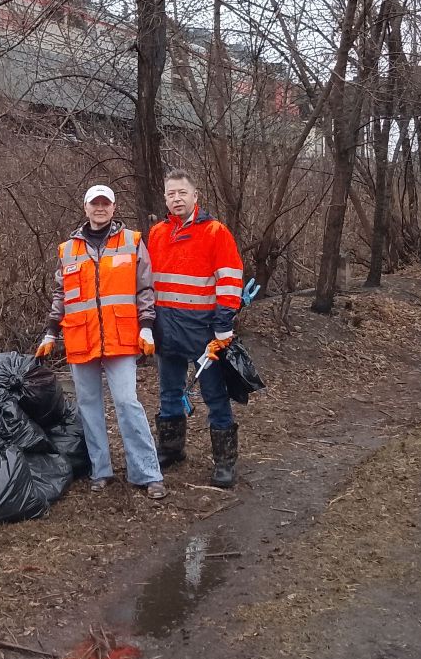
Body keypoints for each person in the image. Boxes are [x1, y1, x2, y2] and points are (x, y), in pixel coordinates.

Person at [37, 185, 167, 499]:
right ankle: (100, 470)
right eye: (94, 203)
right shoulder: (68, 249)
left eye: (105, 203)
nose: (100, 208)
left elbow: (145, 289)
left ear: (113, 207)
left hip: (121, 338)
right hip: (81, 338)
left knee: (127, 403)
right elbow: (61, 294)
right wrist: (51, 331)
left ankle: (147, 473)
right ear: (85, 208)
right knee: (88, 406)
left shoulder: (132, 241)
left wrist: (146, 327)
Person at [149, 169, 257, 488]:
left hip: (202, 332)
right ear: (165, 198)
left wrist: (223, 325)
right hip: (165, 329)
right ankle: (171, 449)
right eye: (171, 193)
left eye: (182, 192)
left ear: (195, 196)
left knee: (214, 395)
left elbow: (230, 281)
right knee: (169, 392)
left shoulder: (215, 232)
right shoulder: (156, 234)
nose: (177, 198)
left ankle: (225, 461)